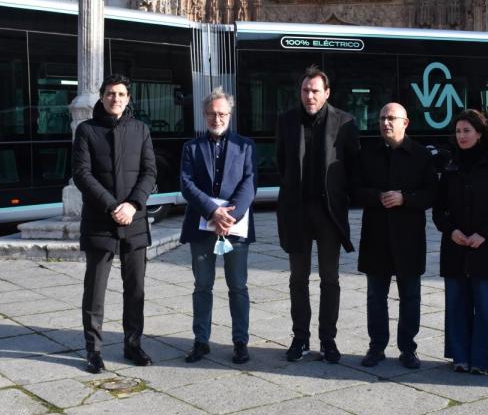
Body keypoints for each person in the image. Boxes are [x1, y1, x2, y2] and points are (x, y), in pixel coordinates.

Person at [73, 74, 157, 373]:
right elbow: (82, 175)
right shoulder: (86, 131)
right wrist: (112, 206)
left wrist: (133, 205)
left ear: (128, 98)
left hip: (134, 221)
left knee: (135, 289)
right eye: (110, 93)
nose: (116, 98)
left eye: (121, 94)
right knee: (95, 289)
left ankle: (132, 344)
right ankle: (93, 350)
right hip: (100, 221)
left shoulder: (141, 129)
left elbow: (150, 173)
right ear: (102, 96)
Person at [276, 65, 360, 363]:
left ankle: (328, 340)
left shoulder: (345, 122)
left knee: (330, 279)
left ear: (326, 93)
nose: (309, 95)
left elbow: (352, 168)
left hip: (328, 214)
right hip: (296, 212)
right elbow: (281, 163)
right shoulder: (286, 121)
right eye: (305, 90)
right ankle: (300, 339)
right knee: (298, 278)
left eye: (315, 90)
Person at [353, 103, 436, 369]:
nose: (386, 123)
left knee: (410, 297)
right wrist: (378, 196)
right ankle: (376, 347)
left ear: (406, 122)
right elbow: (354, 189)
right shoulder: (368, 154)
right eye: (382, 118)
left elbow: (432, 194)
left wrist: (405, 198)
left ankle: (408, 348)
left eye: (391, 118)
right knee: (376, 297)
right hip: (376, 237)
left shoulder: (421, 155)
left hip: (409, 238)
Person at [433, 110, 488, 375]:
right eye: (458, 131)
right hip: (456, 244)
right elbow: (439, 208)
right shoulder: (450, 165)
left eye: (467, 131)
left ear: (480, 133)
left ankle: (484, 359)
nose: (462, 136)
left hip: (486, 245)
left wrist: (485, 232)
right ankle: (459, 356)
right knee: (456, 304)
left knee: (486, 306)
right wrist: (450, 230)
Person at [179, 86, 257, 364]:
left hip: (235, 229)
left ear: (230, 114)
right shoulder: (191, 147)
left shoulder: (246, 146)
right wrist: (213, 211)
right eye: (212, 113)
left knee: (238, 286)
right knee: (202, 286)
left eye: (222, 113)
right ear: (204, 115)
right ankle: (201, 341)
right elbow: (186, 184)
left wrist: (229, 217)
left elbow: (249, 184)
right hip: (202, 226)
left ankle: (240, 341)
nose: (217, 118)